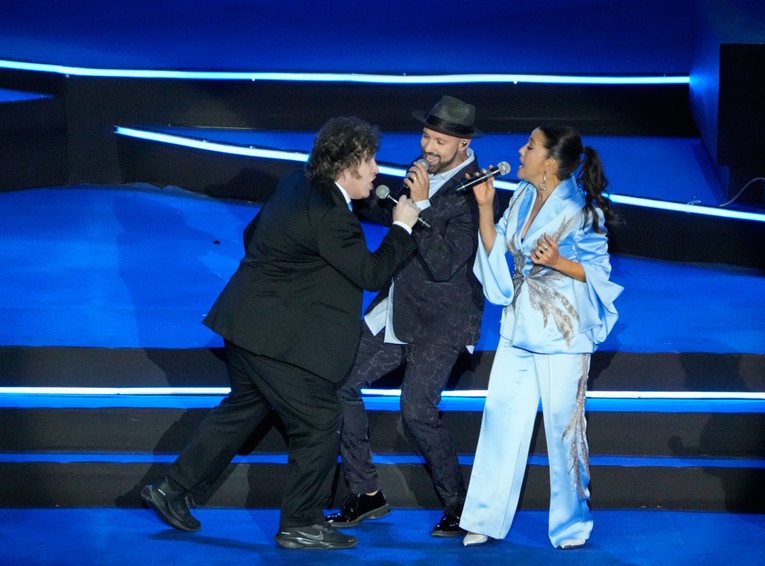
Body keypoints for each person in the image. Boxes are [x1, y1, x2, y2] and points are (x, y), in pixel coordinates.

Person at [140, 116, 421, 551]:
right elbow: (371, 273)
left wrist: (292, 282)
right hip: (273, 341)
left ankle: (172, 490)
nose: (375, 170)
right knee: (319, 421)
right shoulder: (331, 216)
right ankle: (301, 523)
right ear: (347, 167)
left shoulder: (296, 183)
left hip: (243, 324)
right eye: (369, 161)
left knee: (243, 409)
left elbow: (253, 234)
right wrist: (402, 226)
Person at [325, 96, 487, 537]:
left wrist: (420, 206)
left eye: (439, 141)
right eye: (426, 137)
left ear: (463, 144)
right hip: (397, 307)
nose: (428, 147)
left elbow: (444, 264)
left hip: (443, 319)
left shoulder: (476, 192)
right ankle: (365, 492)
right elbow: (393, 213)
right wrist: (355, 189)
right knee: (340, 384)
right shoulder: (422, 171)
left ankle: (461, 507)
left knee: (416, 410)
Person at [459, 124, 622, 549]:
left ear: (549, 162)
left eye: (530, 146)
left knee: (564, 430)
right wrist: (484, 207)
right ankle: (484, 517)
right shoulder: (521, 195)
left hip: (563, 336)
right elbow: (499, 251)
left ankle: (571, 525)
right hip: (517, 328)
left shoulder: (584, 211)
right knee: (500, 420)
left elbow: (600, 275)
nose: (520, 151)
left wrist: (559, 261)